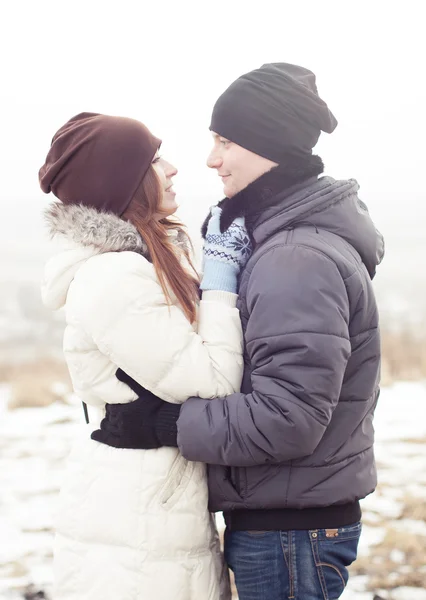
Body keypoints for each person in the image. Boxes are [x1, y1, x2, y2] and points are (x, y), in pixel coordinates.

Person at [93, 64, 385, 600]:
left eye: (225, 141)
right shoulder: (278, 243)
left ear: (267, 145)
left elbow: (288, 417)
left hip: (291, 532)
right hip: (288, 520)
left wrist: (165, 424)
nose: (211, 159)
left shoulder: (294, 258)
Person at [39, 112, 253, 600]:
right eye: (156, 160)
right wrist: (220, 284)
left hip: (154, 503)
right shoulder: (115, 278)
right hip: (135, 520)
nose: (174, 168)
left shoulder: (144, 262)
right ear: (122, 180)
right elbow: (215, 379)